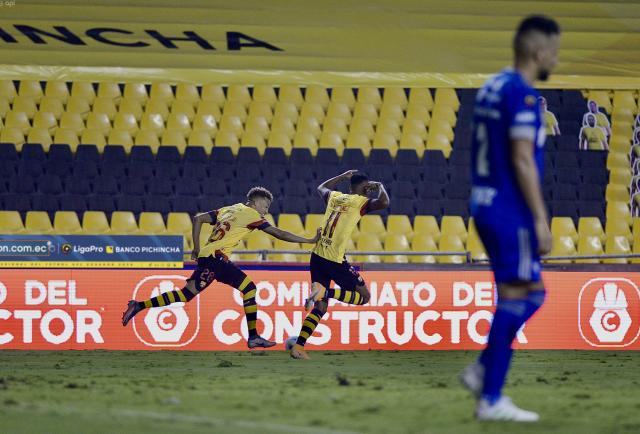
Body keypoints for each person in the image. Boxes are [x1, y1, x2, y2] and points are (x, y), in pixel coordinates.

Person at [461, 15, 560, 422]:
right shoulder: (520, 94)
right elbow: (521, 157)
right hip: (509, 207)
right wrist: (540, 218)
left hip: (483, 201)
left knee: (528, 294)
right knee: (525, 296)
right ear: (540, 52)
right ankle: (490, 395)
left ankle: (484, 371)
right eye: (555, 51)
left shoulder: (492, 86)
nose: (556, 58)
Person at [122, 186, 321, 349]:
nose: (266, 210)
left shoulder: (229, 209)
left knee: (186, 295)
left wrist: (196, 248)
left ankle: (138, 305)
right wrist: (309, 239)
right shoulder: (251, 214)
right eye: (266, 205)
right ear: (255, 201)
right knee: (249, 288)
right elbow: (279, 234)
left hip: (208, 256)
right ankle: (253, 337)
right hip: (217, 259)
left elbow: (198, 219)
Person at [289, 170, 389, 360]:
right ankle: (326, 293)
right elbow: (384, 202)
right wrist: (381, 186)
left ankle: (298, 347)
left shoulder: (335, 197)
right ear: (365, 188)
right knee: (364, 296)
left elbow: (321, 187)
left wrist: (342, 176)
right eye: (367, 187)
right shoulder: (360, 202)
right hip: (334, 259)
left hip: (317, 256)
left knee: (320, 308)